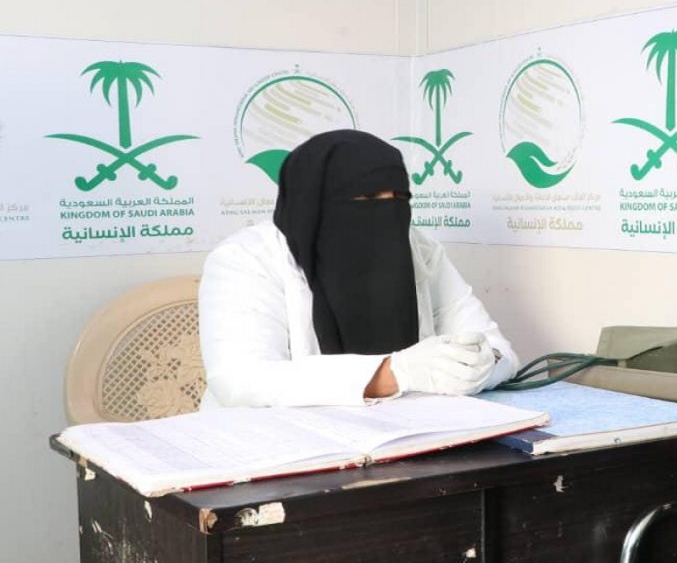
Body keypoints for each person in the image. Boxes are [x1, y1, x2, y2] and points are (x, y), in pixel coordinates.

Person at [197, 130, 518, 409]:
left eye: (399, 197)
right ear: (313, 201)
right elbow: (240, 379)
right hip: (271, 441)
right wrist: (396, 373)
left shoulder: (418, 248)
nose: (388, 211)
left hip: (406, 432)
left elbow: (498, 348)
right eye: (367, 196)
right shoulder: (245, 258)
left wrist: (483, 364)